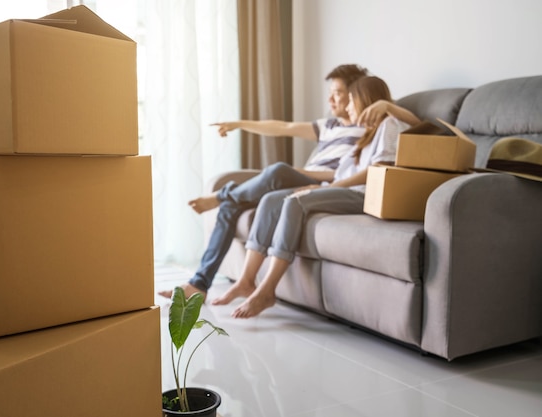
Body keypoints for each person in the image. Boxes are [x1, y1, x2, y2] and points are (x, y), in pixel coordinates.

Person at [158, 65, 420, 301]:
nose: (332, 99)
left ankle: (223, 195)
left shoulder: (370, 127)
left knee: (278, 172)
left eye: (340, 94)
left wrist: (388, 106)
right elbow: (283, 127)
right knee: (234, 207)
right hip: (313, 178)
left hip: (323, 181)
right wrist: (239, 124)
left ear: (359, 95)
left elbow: (421, 128)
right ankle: (200, 283)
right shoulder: (329, 125)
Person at [213, 76, 411, 318]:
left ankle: (267, 290)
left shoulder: (389, 124)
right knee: (272, 200)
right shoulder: (368, 133)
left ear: (367, 101)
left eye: (351, 101)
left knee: (296, 201)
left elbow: (377, 171)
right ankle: (246, 280)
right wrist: (327, 185)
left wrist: (329, 187)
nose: (347, 108)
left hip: (362, 195)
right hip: (342, 187)